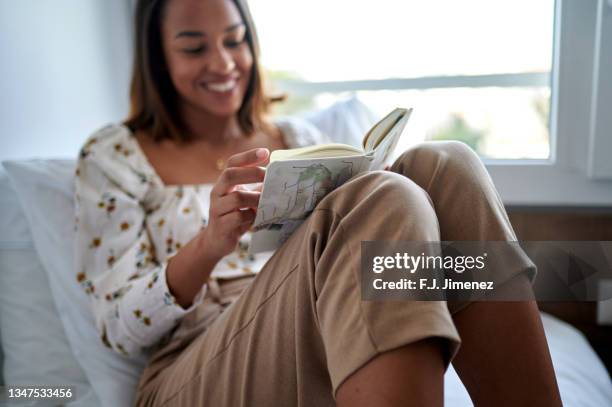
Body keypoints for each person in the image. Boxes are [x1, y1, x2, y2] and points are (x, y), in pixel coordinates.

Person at [73, 0, 563, 405]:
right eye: (194, 47)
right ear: (158, 58)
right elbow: (119, 328)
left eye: (235, 39)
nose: (223, 63)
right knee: (384, 198)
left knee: (447, 165)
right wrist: (209, 245)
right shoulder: (115, 156)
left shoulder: (299, 137)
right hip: (193, 365)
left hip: (323, 312)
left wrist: (395, 211)